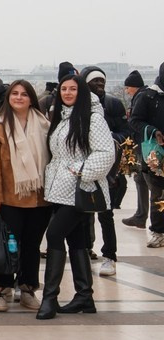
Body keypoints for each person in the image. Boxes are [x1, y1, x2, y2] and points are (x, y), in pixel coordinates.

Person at [35, 71, 115, 319]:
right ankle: (85, 297)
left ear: (82, 92)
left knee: (55, 234)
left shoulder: (92, 119)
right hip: (61, 190)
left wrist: (81, 171)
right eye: (64, 89)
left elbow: (105, 153)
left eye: (73, 89)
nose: (67, 93)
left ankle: (50, 298)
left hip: (81, 189)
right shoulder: (62, 117)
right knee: (76, 239)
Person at [0, 80, 50, 311]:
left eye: (24, 94)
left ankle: (28, 288)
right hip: (9, 198)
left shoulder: (44, 125)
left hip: (39, 198)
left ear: (31, 98)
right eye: (15, 94)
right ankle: (0, 290)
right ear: (8, 98)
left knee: (32, 246)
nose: (19, 98)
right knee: (7, 247)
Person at [84, 66, 129, 275]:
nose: (100, 85)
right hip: (84, 168)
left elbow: (125, 132)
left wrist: (111, 139)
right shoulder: (78, 106)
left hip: (108, 168)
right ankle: (84, 250)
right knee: (83, 213)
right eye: (95, 81)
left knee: (106, 214)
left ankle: (109, 255)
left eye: (102, 81)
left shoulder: (113, 104)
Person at [127, 62, 164, 248]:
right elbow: (134, 121)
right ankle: (158, 231)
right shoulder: (148, 96)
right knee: (158, 193)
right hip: (155, 154)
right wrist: (153, 131)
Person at [122, 69, 150, 230]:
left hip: (143, 144)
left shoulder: (141, 97)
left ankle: (141, 216)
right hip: (145, 143)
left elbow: (135, 121)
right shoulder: (146, 95)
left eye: (128, 88)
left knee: (143, 179)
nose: (126, 91)